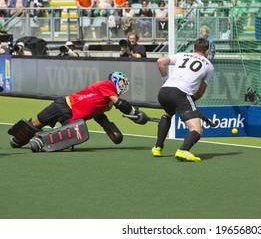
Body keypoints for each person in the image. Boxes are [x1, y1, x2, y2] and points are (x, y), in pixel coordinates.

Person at [8, 71, 148, 151]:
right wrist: (134, 112)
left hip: (74, 117)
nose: (124, 86)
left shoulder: (108, 103)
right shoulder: (107, 85)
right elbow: (121, 104)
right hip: (65, 104)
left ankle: (39, 142)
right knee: (39, 122)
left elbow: (98, 115)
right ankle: (18, 139)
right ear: (117, 80)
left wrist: (108, 127)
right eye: (123, 83)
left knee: (68, 140)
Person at [152, 38, 215, 162]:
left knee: (168, 114)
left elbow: (160, 62)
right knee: (197, 129)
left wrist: (166, 80)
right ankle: (183, 150)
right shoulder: (209, 66)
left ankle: (158, 148)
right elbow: (201, 91)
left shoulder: (182, 55)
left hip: (164, 92)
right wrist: (190, 100)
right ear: (207, 51)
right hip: (181, 94)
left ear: (193, 49)